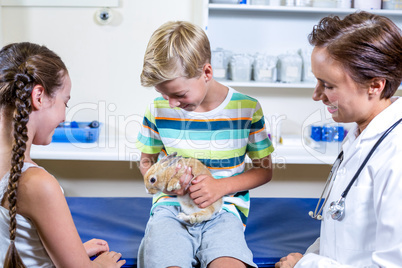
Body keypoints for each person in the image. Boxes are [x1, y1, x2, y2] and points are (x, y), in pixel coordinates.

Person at [135, 21, 274, 268]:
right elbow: (146, 161)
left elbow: (265, 170)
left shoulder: (247, 109)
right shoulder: (157, 109)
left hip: (224, 211)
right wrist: (167, 187)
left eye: (179, 94)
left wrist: (220, 187)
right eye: (164, 94)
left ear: (206, 73)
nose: (171, 103)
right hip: (170, 210)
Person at [276, 11, 402, 268]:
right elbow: (345, 228)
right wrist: (309, 257)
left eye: (328, 85)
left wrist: (304, 265)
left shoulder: (396, 154)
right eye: (317, 81)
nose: (316, 95)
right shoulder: (361, 136)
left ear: (375, 85)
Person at [0, 42, 126, 268]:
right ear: (38, 97)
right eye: (65, 102)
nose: (64, 117)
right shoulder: (37, 184)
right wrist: (101, 265)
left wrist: (73, 251)